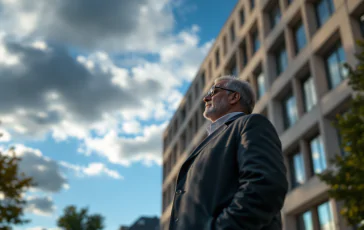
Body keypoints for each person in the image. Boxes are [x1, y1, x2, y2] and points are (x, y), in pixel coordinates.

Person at [169, 75, 288, 230]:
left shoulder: (249, 124)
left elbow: (265, 185)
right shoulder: (211, 141)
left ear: (234, 97)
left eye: (213, 91)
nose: (206, 98)